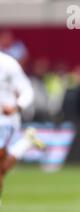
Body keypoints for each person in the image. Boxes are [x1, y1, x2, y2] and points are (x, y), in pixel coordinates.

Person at [0, 51, 44, 203]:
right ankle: (25, 143)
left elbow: (27, 90)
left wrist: (17, 107)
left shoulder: (7, 63)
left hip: (4, 121)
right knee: (1, 169)